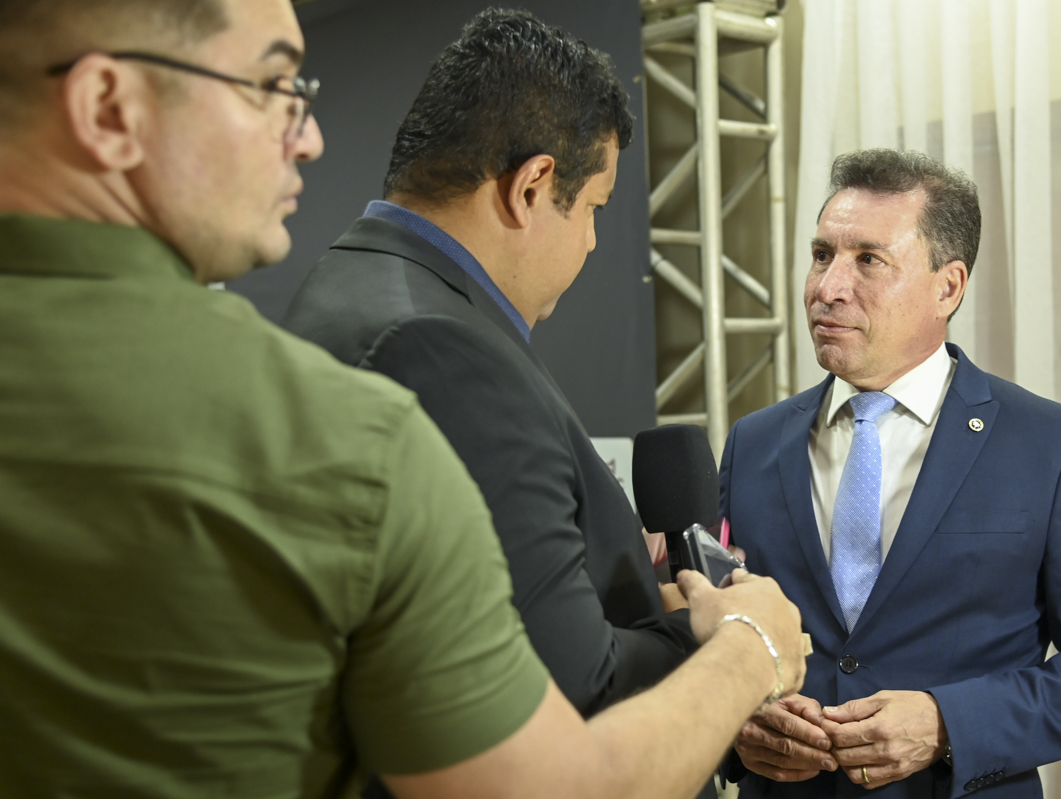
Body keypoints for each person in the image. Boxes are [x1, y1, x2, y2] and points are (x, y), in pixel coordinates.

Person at [0, 1, 811, 797]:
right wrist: (744, 647)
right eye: (270, 86)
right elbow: (563, 736)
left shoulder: (351, 288)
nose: (308, 137)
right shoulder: (427, 362)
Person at [285, 8, 701, 728]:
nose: (592, 241)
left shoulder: (352, 279)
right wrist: (725, 637)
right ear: (532, 186)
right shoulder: (442, 352)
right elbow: (571, 691)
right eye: (594, 208)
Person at [717, 149, 1061, 798]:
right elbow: (719, 632)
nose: (827, 287)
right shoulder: (752, 442)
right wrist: (735, 727)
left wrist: (947, 723)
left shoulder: (1051, 445)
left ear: (948, 287)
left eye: (868, 260)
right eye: (822, 255)